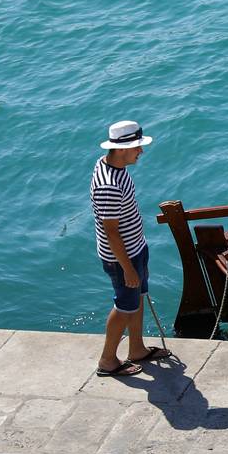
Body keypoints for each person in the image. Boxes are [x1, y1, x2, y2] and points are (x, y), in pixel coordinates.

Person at [92, 120, 168, 376]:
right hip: (121, 257)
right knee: (124, 305)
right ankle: (107, 361)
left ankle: (136, 348)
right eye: (137, 147)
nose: (141, 152)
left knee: (136, 299)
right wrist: (127, 269)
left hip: (135, 248)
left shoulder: (114, 167)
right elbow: (110, 231)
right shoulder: (109, 185)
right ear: (123, 148)